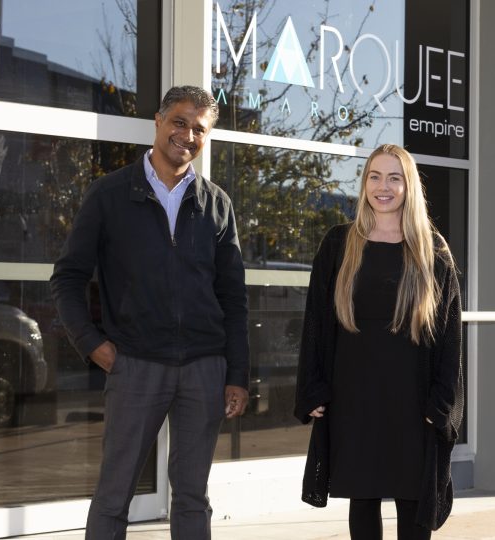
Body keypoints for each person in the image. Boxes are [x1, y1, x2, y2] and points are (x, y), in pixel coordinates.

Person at [50, 85, 249, 540]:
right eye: (179, 121)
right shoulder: (110, 194)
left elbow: (233, 296)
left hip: (203, 367)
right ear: (158, 122)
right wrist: (93, 345)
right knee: (114, 494)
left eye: (200, 128)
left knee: (193, 497)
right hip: (135, 364)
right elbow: (67, 278)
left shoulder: (216, 203)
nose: (188, 134)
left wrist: (236, 372)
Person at [293, 144, 464, 539]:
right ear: (364, 183)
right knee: (362, 501)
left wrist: (442, 403)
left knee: (413, 508)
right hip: (353, 399)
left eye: (394, 177)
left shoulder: (432, 252)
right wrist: (313, 387)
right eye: (374, 176)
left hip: (412, 402)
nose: (382, 186)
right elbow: (317, 320)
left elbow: (450, 336)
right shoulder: (339, 244)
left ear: (409, 186)